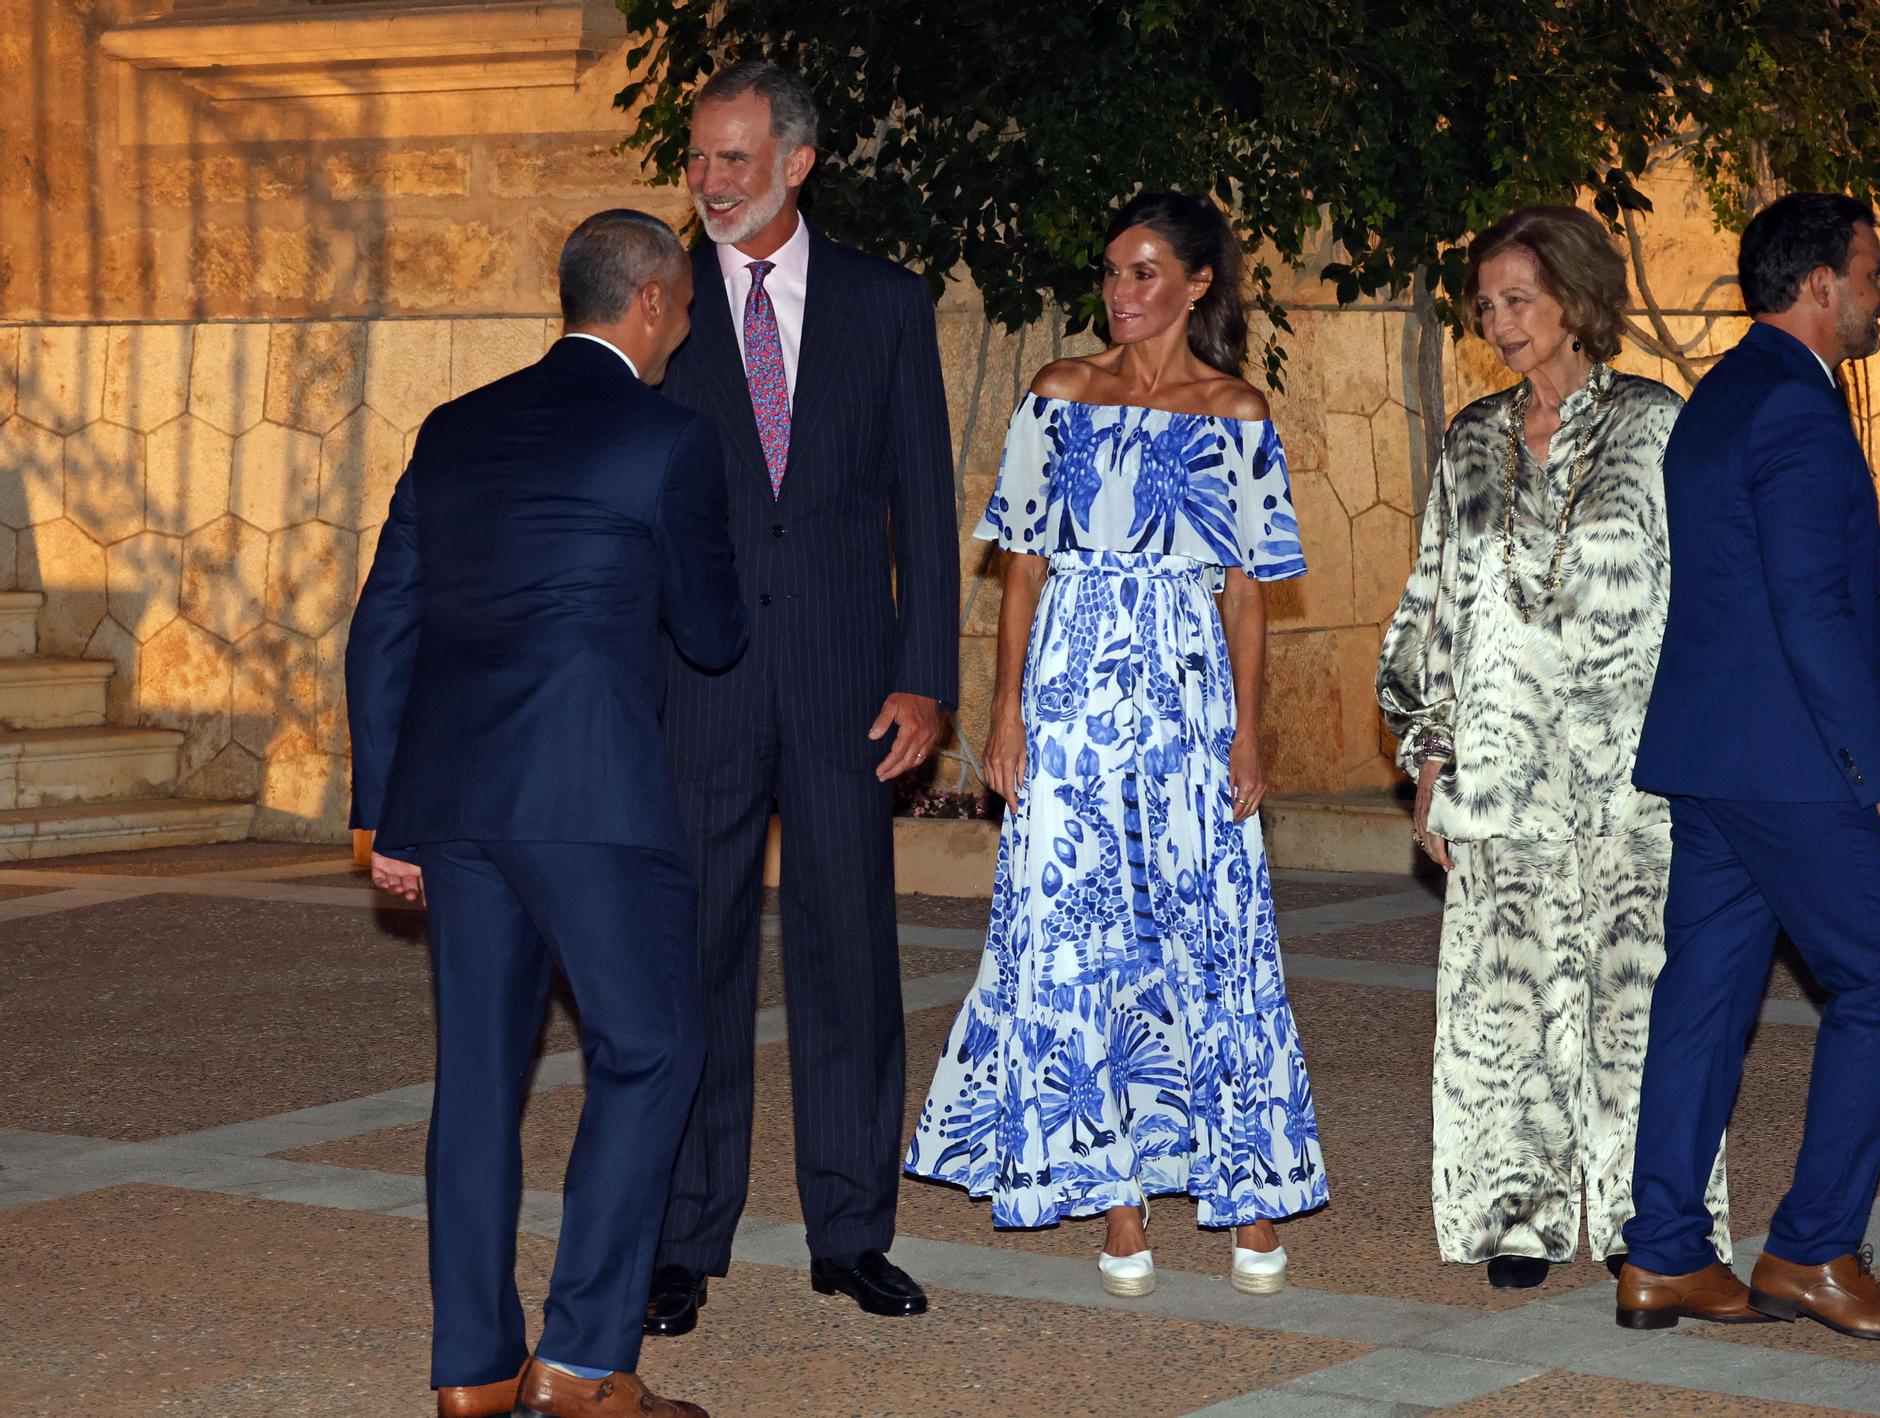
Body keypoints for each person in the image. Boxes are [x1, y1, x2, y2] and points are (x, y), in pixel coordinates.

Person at [347, 211, 745, 1417]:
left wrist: (386, 813)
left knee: (476, 1078)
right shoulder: (664, 436)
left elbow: (384, 626)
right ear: (653, 302)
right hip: (590, 800)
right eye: (679, 307)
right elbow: (712, 632)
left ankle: (471, 1370)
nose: (680, 325)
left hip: (457, 799)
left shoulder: (454, 429)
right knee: (650, 1048)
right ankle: (578, 1364)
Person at [904, 191, 1326, 1299]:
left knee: (1211, 925)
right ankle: (1120, 1203)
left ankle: (1247, 1189)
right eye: (1110, 272)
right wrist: (1001, 714)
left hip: (1186, 694)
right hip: (1071, 692)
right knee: (1075, 928)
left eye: (1145, 273)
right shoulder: (1060, 394)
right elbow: (1023, 569)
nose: (1121, 294)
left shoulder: (1237, 410)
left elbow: (1244, 593)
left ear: (1196, 284)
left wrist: (1244, 732)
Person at [645, 61, 959, 1335]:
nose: (710, 183)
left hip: (845, 686)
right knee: (693, 958)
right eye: (699, 160)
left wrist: (926, 675)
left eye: (733, 159)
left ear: (796, 160)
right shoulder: (654, 301)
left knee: (847, 957)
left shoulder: (886, 302)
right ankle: (681, 1236)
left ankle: (849, 1229)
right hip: (695, 684)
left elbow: (923, 505)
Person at [1376, 205, 1733, 1294]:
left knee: (1637, 994)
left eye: (1515, 298)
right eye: (1485, 303)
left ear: (1576, 301)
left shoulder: (1655, 427)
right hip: (1497, 759)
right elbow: (1435, 606)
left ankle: (1648, 1206)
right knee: (1505, 996)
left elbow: (1703, 599)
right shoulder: (1471, 436)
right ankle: (1516, 1211)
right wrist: (1427, 753)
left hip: (1633, 765)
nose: (1497, 320)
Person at [1619, 193, 1880, 1341]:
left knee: (1703, 999)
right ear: (1818, 283)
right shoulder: (1798, 414)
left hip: (1709, 758)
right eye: (1870, 271)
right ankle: (1812, 1248)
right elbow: (1812, 612)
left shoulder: (1717, 397)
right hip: (1793, 763)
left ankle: (1661, 1255)